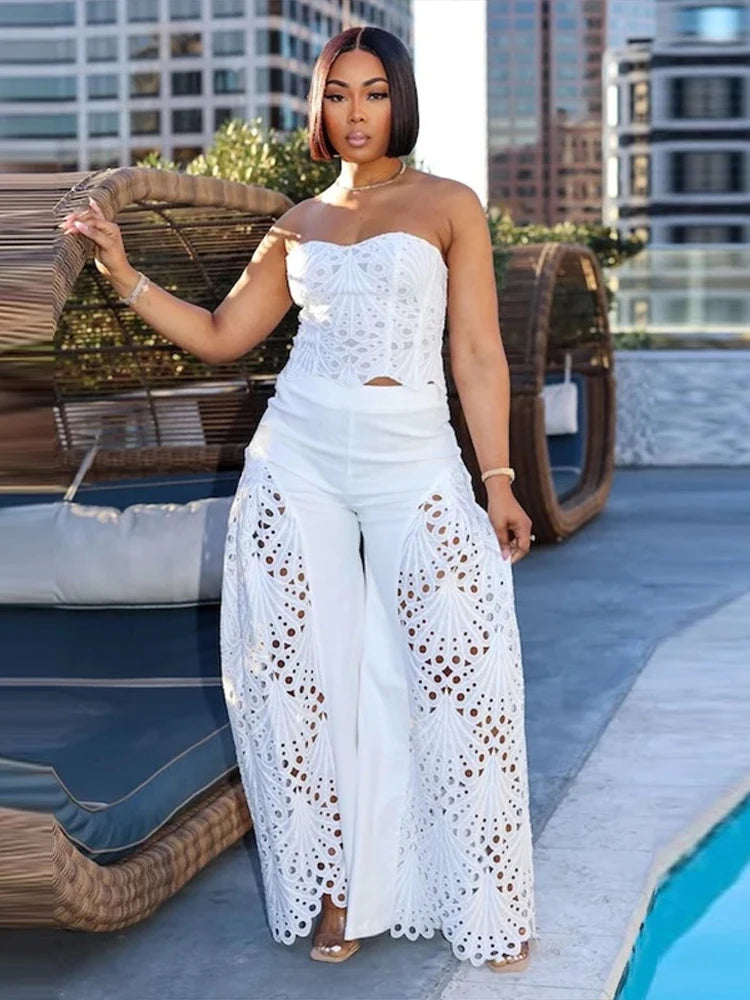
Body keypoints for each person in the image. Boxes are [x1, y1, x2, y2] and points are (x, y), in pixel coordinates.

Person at [60, 24, 537, 974]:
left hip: (416, 456)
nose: (354, 113)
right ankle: (338, 887)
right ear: (317, 107)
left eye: (372, 93)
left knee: (463, 661)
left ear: (400, 100)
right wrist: (125, 276)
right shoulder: (297, 222)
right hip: (300, 455)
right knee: (300, 680)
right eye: (336, 95)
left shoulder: (450, 205)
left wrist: (498, 481)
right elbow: (226, 335)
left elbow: (478, 353)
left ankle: (488, 890)